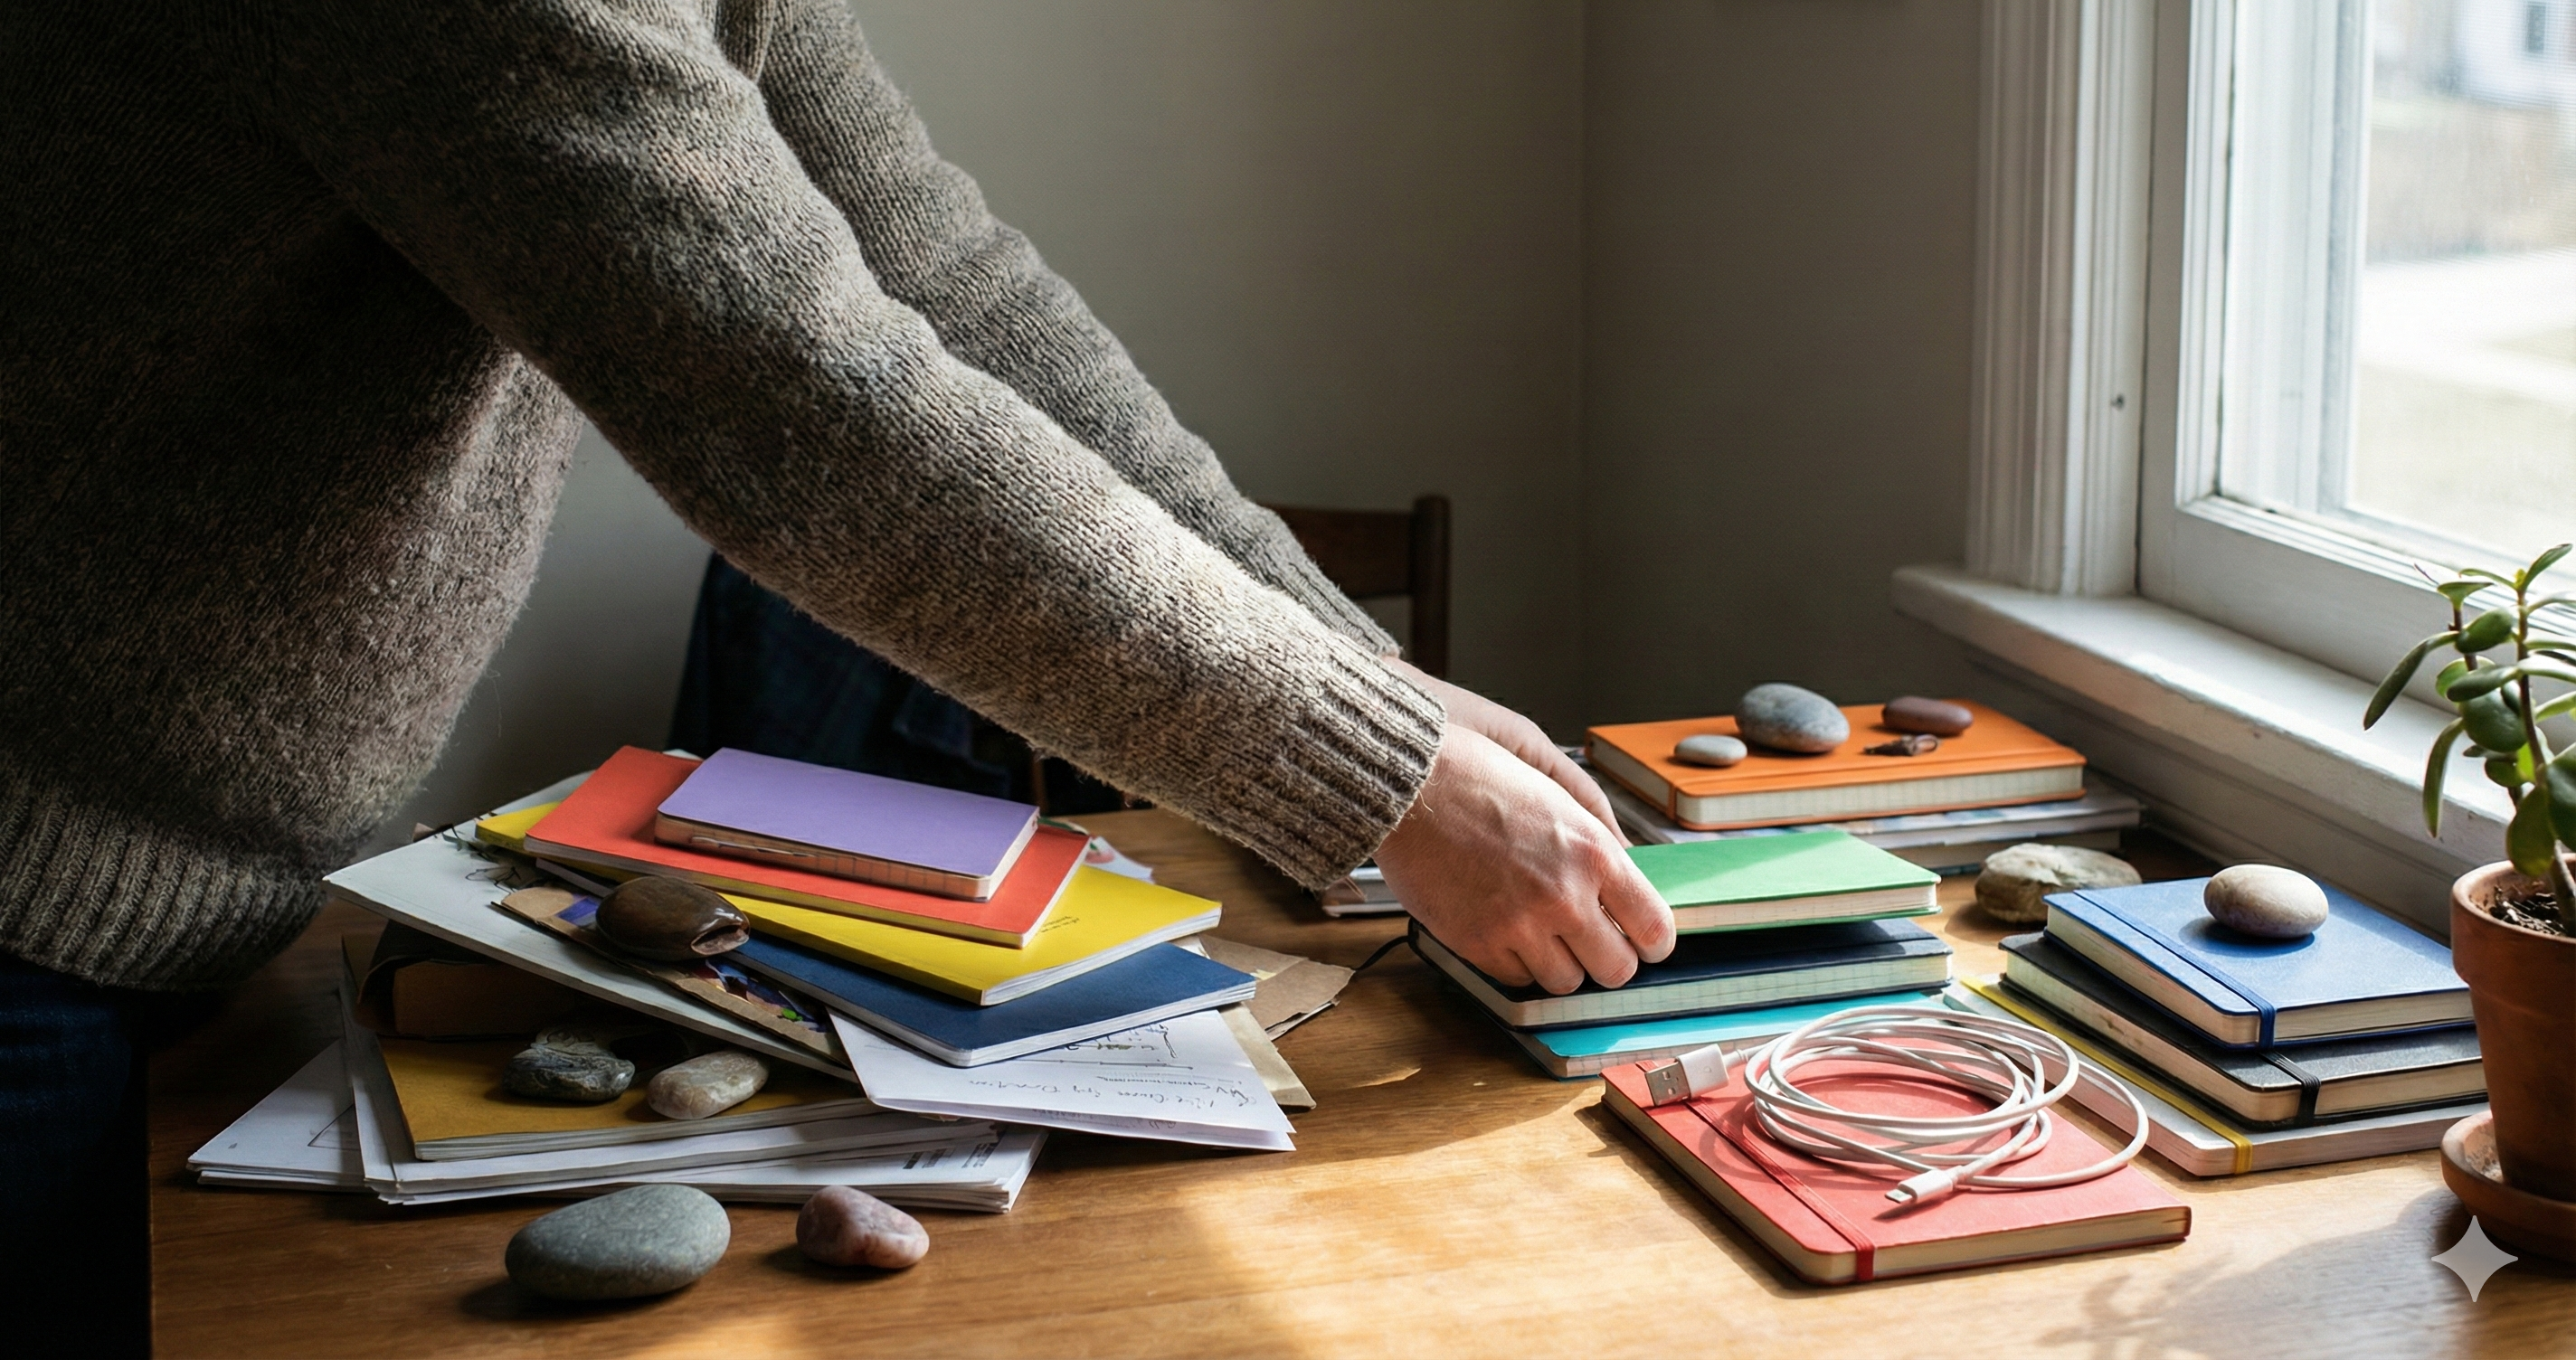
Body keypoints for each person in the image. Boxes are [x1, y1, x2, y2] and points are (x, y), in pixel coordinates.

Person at [1, 1, 1672, 1342]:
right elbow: (808, 399)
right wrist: (1378, 770)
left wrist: (1357, 671)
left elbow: (948, 291)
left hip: (149, 879)